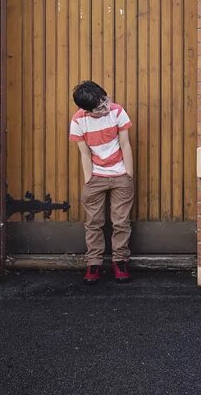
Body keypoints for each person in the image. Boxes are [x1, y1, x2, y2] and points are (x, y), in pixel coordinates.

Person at [69, 80, 135, 285]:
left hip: (120, 175)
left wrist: (128, 174)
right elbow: (84, 153)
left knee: (121, 222)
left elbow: (125, 143)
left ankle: (120, 261)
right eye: (99, 107)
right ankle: (94, 262)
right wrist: (89, 179)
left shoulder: (117, 111)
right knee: (93, 223)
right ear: (87, 111)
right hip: (96, 177)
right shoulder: (79, 121)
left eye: (105, 100)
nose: (106, 107)